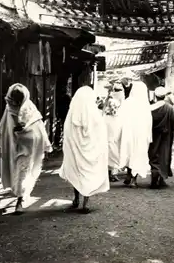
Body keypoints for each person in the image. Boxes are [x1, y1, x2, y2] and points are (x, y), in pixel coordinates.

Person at [0, 83, 53, 214]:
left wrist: (27, 131)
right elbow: (3, 127)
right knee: (17, 171)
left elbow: (39, 128)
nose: (15, 103)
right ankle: (22, 194)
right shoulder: (9, 109)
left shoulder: (30, 109)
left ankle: (19, 201)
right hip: (13, 147)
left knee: (22, 171)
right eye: (13, 100)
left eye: (17, 100)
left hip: (28, 148)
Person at [59, 86, 110, 214]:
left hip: (75, 151)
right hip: (90, 151)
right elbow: (101, 134)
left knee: (77, 173)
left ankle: (76, 198)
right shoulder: (95, 115)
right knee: (88, 174)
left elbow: (67, 135)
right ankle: (85, 203)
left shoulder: (71, 116)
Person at [118, 81, 153, 187]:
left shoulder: (127, 102)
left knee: (129, 153)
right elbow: (149, 122)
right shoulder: (145, 105)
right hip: (140, 135)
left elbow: (120, 117)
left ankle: (129, 175)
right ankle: (133, 178)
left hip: (128, 133)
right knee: (137, 155)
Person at [148, 87, 174, 189]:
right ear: (164, 96)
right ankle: (162, 178)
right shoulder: (169, 108)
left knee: (153, 155)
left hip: (153, 136)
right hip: (166, 137)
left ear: (155, 96)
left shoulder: (150, 108)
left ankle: (154, 176)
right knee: (164, 156)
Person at [103, 96, 123, 182]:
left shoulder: (105, 118)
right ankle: (113, 174)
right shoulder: (118, 118)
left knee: (108, 156)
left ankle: (108, 173)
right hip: (114, 140)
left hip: (107, 140)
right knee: (114, 156)